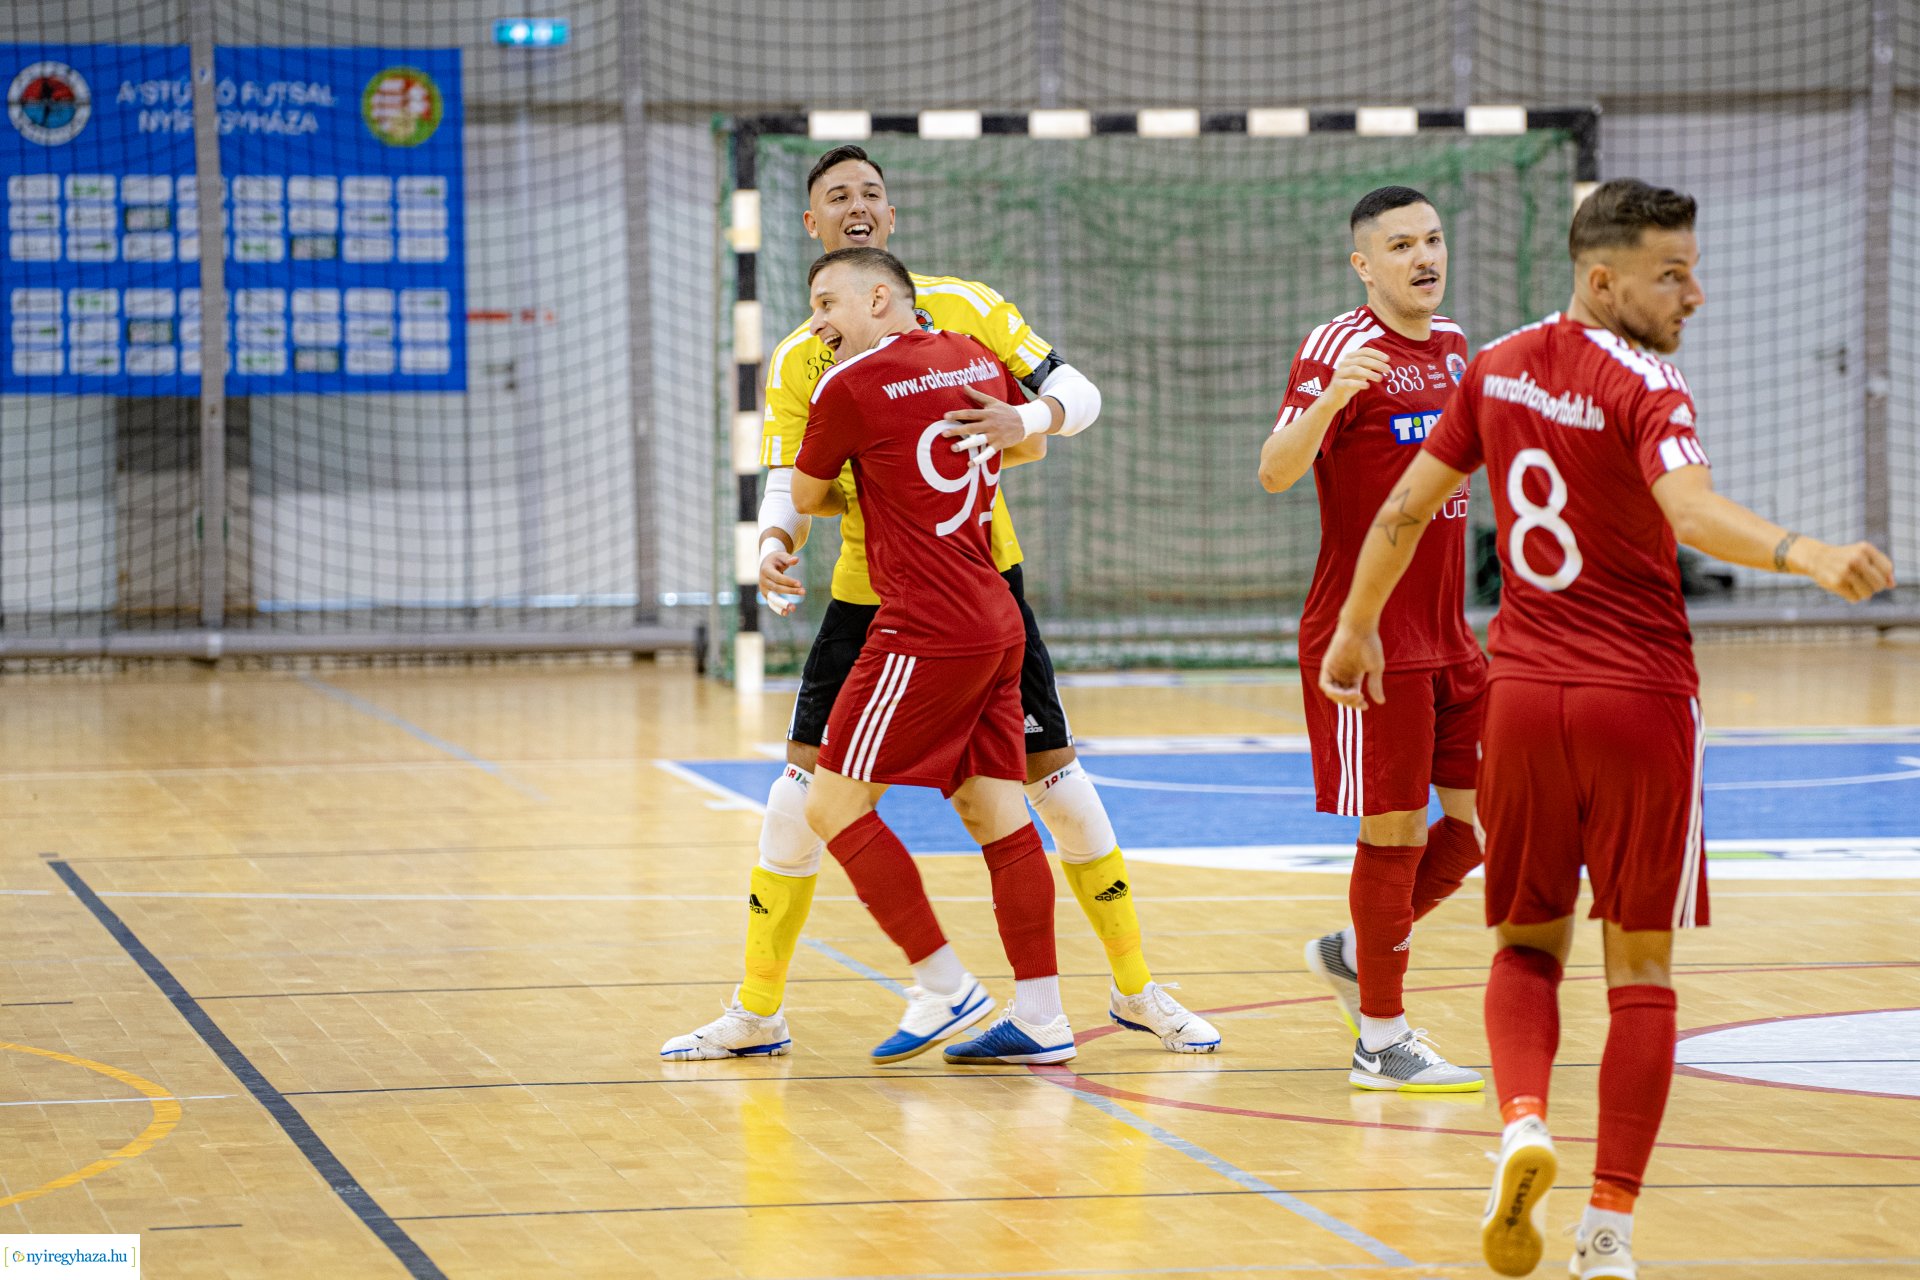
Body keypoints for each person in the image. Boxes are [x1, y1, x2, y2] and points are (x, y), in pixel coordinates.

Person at [1317, 178, 1895, 1278]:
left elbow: (1402, 509)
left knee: (1525, 946)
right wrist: (1809, 553)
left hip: (1525, 699)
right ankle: (1609, 1230)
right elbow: (1691, 511)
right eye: (1671, 275)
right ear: (1601, 279)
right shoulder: (1648, 383)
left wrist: (1353, 631)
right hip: (1638, 702)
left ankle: (1522, 1124)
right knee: (1641, 972)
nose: (1695, 295)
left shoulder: (1494, 366)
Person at [663, 145, 1219, 1061]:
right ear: (811, 224)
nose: (856, 204)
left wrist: (1023, 419)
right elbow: (787, 485)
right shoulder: (808, 356)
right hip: (869, 601)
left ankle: (1126, 991)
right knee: (800, 804)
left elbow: (1070, 399)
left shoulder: (965, 311)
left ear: (890, 221)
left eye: (870, 193)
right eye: (836, 195)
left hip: (975, 584)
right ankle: (760, 1010)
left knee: (1058, 794)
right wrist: (772, 544)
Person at [790, 247, 1071, 1064]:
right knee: (995, 812)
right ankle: (1043, 1018)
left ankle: (946, 986)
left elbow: (806, 495)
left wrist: (870, 466)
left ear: (880, 298)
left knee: (830, 806)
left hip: (925, 625)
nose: (816, 322)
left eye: (827, 303)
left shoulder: (847, 386)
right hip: (996, 614)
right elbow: (1029, 446)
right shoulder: (972, 354)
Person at [1259, 185, 1485, 1093]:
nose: (1424, 257)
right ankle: (1381, 1042)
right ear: (1363, 264)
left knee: (1482, 826)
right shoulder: (1337, 347)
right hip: (1368, 639)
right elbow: (1275, 471)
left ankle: (1357, 951)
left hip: (1452, 634)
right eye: (1400, 246)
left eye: (1432, 239)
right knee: (1392, 831)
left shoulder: (1456, 345)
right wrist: (1329, 402)